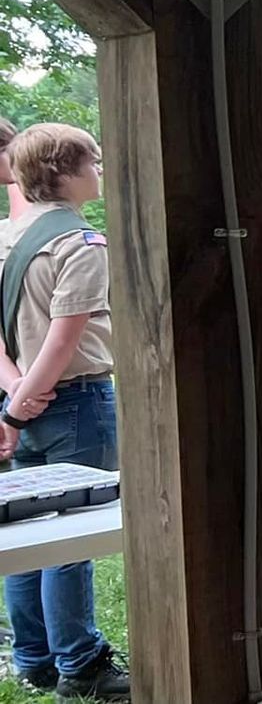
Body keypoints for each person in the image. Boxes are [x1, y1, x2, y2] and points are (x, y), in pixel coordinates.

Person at [0, 123, 132, 701]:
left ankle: (32, 658)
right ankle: (81, 665)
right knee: (73, 538)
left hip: (23, 403)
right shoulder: (79, 243)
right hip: (75, 400)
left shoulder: (7, 237)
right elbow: (65, 334)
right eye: (93, 161)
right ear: (62, 171)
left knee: (25, 536)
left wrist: (15, 399)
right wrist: (30, 394)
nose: (99, 170)